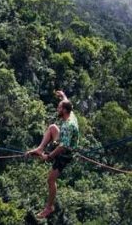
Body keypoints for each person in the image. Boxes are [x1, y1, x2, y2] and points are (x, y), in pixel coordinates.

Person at [27, 89, 80, 220]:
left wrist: (49, 156)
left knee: (50, 180)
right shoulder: (70, 113)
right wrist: (63, 96)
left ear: (64, 111)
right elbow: (67, 103)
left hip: (65, 154)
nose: (57, 109)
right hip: (62, 141)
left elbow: (63, 147)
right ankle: (40, 149)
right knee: (52, 128)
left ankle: (49, 207)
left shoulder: (69, 125)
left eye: (59, 108)